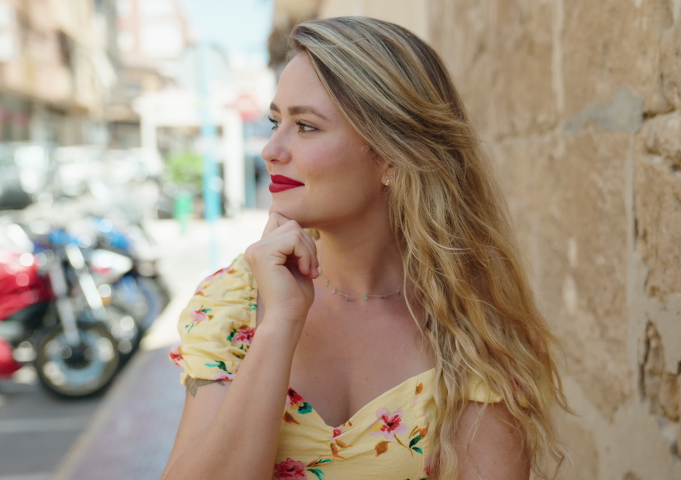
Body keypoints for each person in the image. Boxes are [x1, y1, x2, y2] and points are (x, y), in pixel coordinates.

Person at [163, 17, 567, 480]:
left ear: (391, 153)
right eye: (276, 121)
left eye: (306, 126)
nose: (272, 149)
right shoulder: (231, 304)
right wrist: (277, 326)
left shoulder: (474, 326)